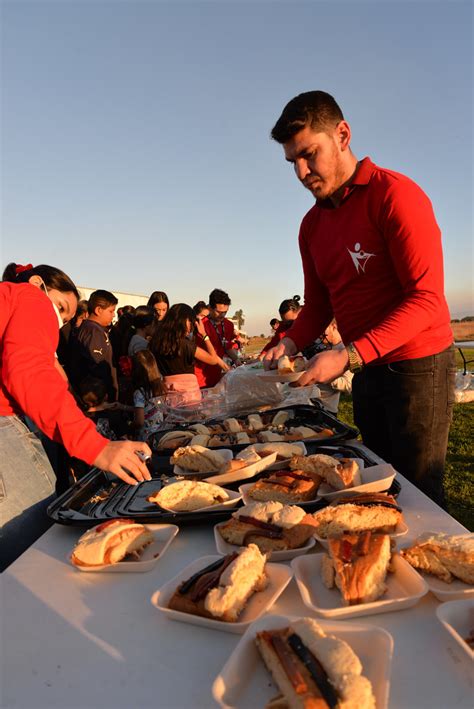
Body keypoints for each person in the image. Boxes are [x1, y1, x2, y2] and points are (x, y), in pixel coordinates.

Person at [264, 90, 455, 506]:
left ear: (343, 135)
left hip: (417, 367)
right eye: (292, 161)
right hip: (365, 367)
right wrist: (291, 341)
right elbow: (318, 305)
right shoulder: (311, 226)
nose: (300, 171)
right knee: (376, 484)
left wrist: (348, 355)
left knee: (419, 496)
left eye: (309, 154)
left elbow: (426, 299)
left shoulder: (394, 195)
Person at [0, 263, 151, 570]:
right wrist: (95, 446)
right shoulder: (30, 297)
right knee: (33, 554)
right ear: (37, 282)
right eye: (60, 307)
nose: (57, 320)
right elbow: (29, 372)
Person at [150, 303, 229, 405]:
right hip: (189, 398)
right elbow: (213, 360)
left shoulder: (155, 343)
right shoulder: (186, 345)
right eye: (190, 321)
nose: (192, 326)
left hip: (168, 396)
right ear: (184, 321)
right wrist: (204, 335)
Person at [69, 289, 119, 402]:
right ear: (98, 310)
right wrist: (102, 394)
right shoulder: (93, 332)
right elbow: (97, 367)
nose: (114, 315)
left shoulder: (93, 329)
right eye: (111, 311)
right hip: (97, 399)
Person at [194, 288, 240, 388]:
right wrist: (226, 367)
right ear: (210, 308)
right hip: (200, 378)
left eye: (225, 312)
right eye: (218, 312)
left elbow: (226, 346)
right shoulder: (202, 326)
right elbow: (209, 353)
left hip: (216, 376)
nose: (222, 315)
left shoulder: (228, 325)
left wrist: (237, 360)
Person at [130, 350, 167, 441]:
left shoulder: (139, 393)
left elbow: (139, 421)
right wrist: (122, 407)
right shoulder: (160, 383)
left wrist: (130, 425)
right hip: (161, 433)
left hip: (146, 437)